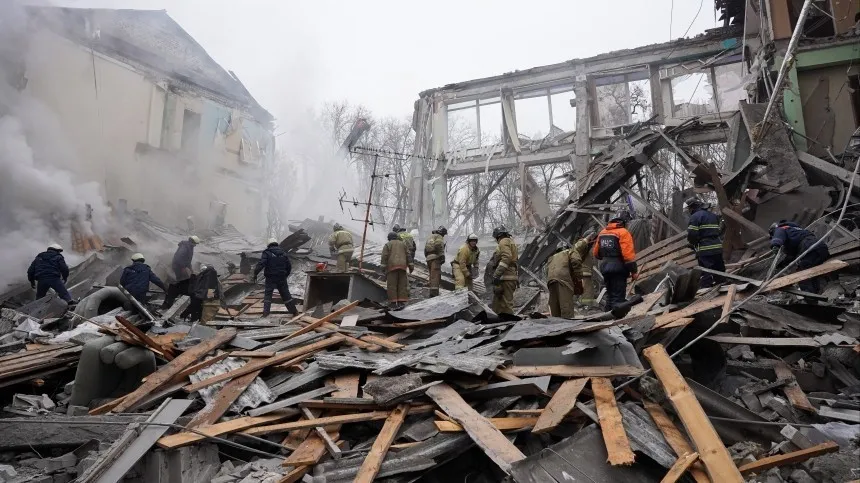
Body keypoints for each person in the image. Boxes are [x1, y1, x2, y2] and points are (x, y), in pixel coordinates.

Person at [769, 220, 831, 293]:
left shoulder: (780, 229)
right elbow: (792, 255)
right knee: (813, 273)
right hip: (821, 247)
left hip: (809, 248)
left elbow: (778, 237)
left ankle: (809, 296)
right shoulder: (796, 230)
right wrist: (783, 263)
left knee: (803, 275)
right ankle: (819, 293)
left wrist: (775, 245)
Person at [593, 211, 638, 310]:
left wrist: (607, 257)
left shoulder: (603, 232)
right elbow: (628, 256)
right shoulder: (623, 232)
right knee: (618, 297)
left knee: (609, 296)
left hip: (605, 268)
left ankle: (607, 315)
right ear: (624, 222)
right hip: (618, 268)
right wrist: (634, 272)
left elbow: (596, 253)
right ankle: (616, 317)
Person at [254, 238, 299, 317]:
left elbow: (261, 264)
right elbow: (289, 266)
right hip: (281, 278)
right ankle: (294, 312)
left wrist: (255, 273)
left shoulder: (267, 253)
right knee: (286, 295)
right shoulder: (283, 253)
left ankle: (265, 314)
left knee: (268, 296)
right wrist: (285, 275)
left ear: (268, 245)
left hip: (270, 278)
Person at [686, 197, 725, 288]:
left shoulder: (695, 217)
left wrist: (692, 243)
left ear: (693, 207)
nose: (689, 211)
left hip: (705, 249)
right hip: (717, 247)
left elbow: (692, 234)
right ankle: (723, 285)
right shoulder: (713, 216)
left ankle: (705, 289)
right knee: (719, 270)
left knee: (706, 271)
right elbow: (718, 231)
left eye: (689, 208)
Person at [162, 235, 199, 309]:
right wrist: (182, 267)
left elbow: (188, 260)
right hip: (178, 266)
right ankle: (179, 295)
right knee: (183, 280)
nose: (195, 245)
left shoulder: (189, 246)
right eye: (195, 244)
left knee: (184, 279)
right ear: (193, 242)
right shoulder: (185, 247)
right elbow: (178, 258)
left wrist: (190, 268)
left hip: (180, 266)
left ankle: (179, 294)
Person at [490, 225, 518, 315]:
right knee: (498, 304)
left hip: (506, 277)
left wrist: (496, 274)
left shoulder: (503, 241)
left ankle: (510, 322)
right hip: (507, 277)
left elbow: (506, 257)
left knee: (506, 305)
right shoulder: (510, 242)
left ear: (498, 236)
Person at [381, 231, 413, 309]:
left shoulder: (387, 245)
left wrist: (383, 268)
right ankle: (401, 302)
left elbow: (384, 256)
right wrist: (411, 266)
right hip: (402, 267)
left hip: (392, 267)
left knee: (392, 285)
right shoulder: (403, 244)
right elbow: (408, 255)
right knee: (402, 285)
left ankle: (393, 303)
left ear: (389, 238)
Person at [572, 230, 598, 307]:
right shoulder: (582, 244)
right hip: (583, 272)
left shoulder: (587, 246)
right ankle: (587, 307)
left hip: (586, 272)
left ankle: (584, 305)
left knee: (588, 291)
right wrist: (587, 239)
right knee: (587, 291)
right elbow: (577, 247)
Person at [424, 226, 447, 297]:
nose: (443, 236)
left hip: (429, 258)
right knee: (435, 275)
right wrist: (442, 255)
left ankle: (429, 289)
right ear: (442, 233)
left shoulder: (430, 236)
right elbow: (438, 244)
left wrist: (428, 256)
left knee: (431, 274)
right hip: (435, 258)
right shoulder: (439, 236)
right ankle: (434, 294)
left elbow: (425, 249)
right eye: (444, 234)